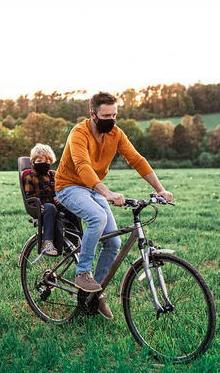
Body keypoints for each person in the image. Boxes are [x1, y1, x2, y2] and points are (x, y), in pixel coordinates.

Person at [55, 91, 173, 320]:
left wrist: (160, 189)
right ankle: (83, 273)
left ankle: (93, 295)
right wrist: (107, 193)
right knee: (97, 217)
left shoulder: (116, 134)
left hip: (93, 188)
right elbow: (82, 166)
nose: (111, 119)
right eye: (106, 115)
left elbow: (137, 160)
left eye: (115, 115)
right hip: (69, 186)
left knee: (114, 242)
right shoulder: (78, 133)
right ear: (93, 114)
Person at [23, 143, 77, 256]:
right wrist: (35, 205)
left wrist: (60, 197)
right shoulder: (30, 177)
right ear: (33, 162)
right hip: (42, 207)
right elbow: (29, 196)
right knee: (50, 207)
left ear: (51, 162)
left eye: (47, 161)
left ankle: (73, 243)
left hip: (56, 204)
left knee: (74, 208)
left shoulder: (54, 175)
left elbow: (63, 188)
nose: (43, 164)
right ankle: (47, 242)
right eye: (39, 161)